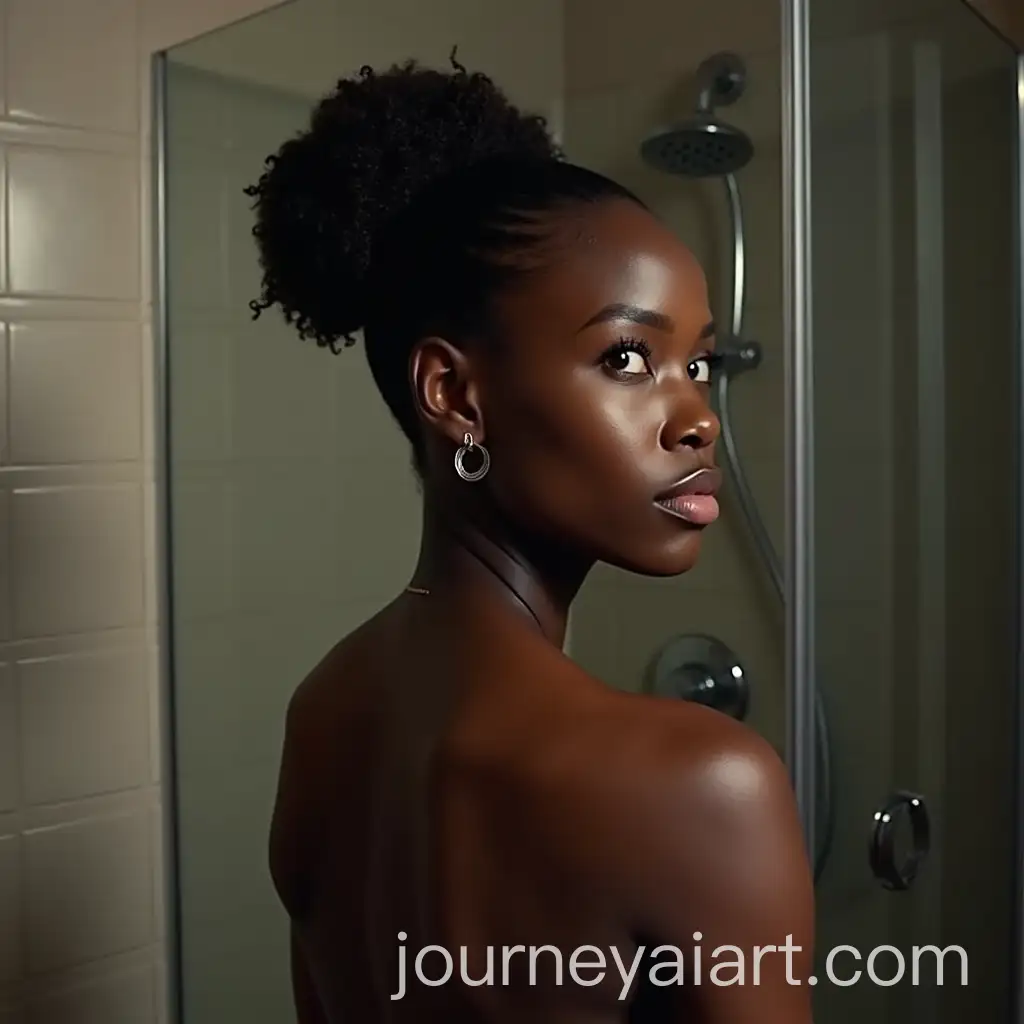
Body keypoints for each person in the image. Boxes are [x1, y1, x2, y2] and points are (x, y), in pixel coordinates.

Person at [250, 53, 814, 1024]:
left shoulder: (325, 707)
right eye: (627, 356)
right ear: (456, 395)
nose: (699, 418)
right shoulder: (701, 784)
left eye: (700, 361)